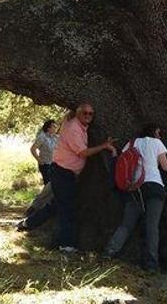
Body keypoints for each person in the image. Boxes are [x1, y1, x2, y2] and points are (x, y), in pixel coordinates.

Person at [104, 124, 167, 271]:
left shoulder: (133, 142)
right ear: (154, 132)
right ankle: (152, 264)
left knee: (127, 223)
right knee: (152, 226)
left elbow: (122, 160)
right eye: (159, 133)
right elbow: (166, 167)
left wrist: (113, 151)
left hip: (135, 187)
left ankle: (109, 251)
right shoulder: (157, 143)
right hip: (154, 186)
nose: (160, 136)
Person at [51, 102, 117, 253]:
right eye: (84, 113)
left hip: (67, 172)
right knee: (66, 208)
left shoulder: (75, 123)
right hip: (62, 172)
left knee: (58, 204)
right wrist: (104, 146)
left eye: (91, 114)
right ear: (78, 113)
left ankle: (30, 223)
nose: (88, 116)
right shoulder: (74, 129)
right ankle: (66, 244)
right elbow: (82, 153)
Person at [32, 119, 59, 185]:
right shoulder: (42, 137)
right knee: (48, 185)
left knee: (56, 185)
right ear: (48, 128)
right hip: (46, 165)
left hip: (55, 165)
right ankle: (45, 195)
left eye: (56, 126)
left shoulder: (56, 137)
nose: (56, 128)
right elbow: (33, 149)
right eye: (54, 126)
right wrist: (39, 160)